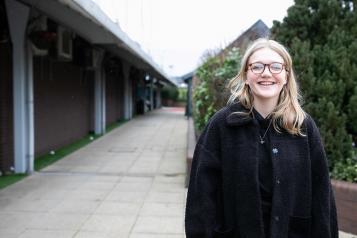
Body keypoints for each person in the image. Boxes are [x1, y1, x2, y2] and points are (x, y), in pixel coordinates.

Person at [185, 38, 338, 238]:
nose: (266, 73)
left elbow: (321, 197)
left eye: (275, 66)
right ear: (246, 75)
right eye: (257, 67)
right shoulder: (222, 125)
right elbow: (201, 198)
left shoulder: (303, 127)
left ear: (286, 75)